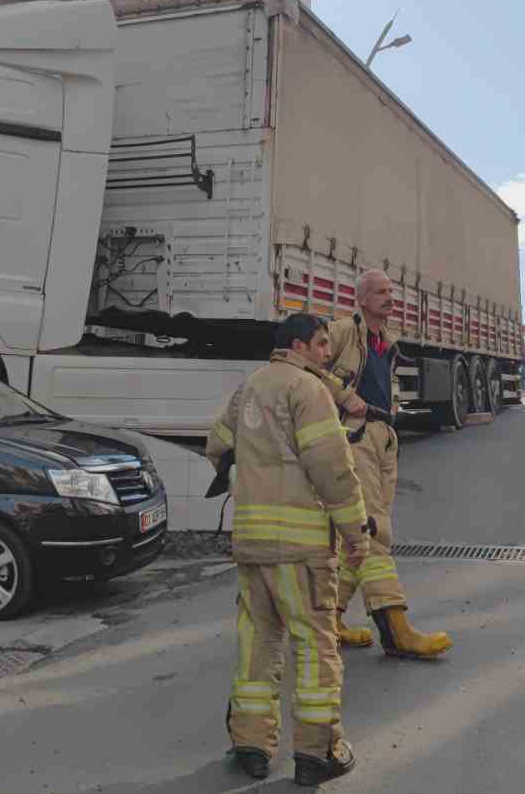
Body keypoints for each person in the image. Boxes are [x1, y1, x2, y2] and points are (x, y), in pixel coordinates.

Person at [206, 313, 371, 786]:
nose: (326, 353)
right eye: (321, 344)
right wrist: (356, 531)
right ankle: (318, 754)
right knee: (315, 647)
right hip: (301, 551)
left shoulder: (251, 387)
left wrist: (245, 473)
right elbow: (332, 470)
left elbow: (216, 445)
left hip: (252, 545)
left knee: (258, 644)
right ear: (299, 346)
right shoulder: (309, 389)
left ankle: (252, 747)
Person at [323, 270, 453, 660]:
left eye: (391, 291)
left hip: (383, 439)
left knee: (355, 540)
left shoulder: (385, 343)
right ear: (361, 299)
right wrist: (345, 396)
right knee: (373, 529)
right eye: (380, 292)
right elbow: (305, 366)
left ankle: (331, 619)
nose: (389, 297)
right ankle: (397, 630)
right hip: (356, 437)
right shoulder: (343, 331)